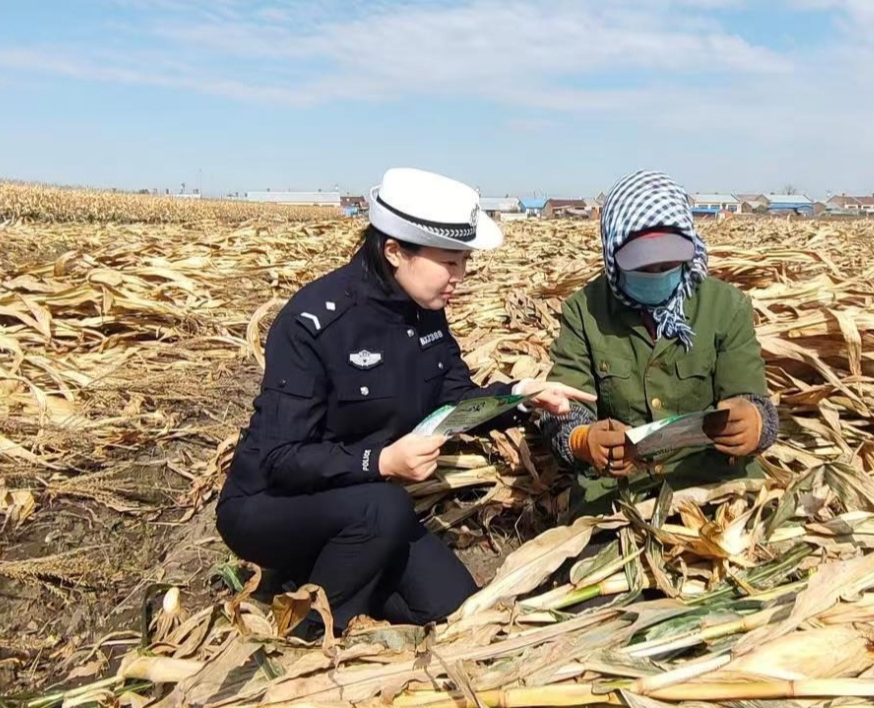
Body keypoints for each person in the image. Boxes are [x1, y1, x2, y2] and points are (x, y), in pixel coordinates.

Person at [216, 167, 593, 638]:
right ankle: (307, 630)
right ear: (394, 251)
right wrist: (383, 460)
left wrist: (519, 397)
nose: (460, 277)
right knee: (384, 509)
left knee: (451, 606)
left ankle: (321, 572)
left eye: (465, 262)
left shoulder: (425, 315)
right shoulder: (313, 323)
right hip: (271, 505)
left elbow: (455, 400)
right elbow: (281, 459)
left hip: (364, 506)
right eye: (450, 262)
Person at [539, 170, 779, 517]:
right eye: (644, 266)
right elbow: (561, 409)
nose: (658, 274)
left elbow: (754, 399)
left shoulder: (726, 307)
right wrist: (583, 440)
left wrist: (756, 424)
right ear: (613, 253)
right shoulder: (584, 312)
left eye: (669, 263)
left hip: (714, 487)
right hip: (619, 498)